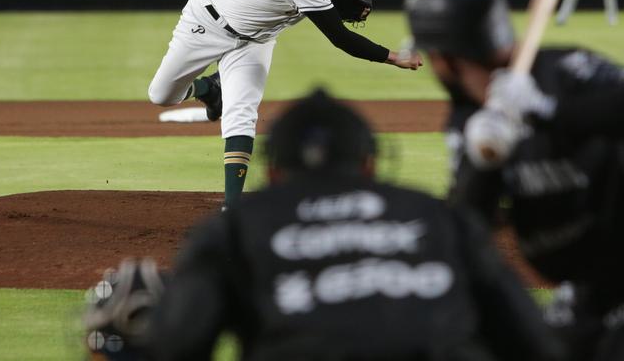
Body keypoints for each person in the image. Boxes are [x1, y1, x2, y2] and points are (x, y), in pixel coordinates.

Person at [404, 0, 624, 361]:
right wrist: (484, 160)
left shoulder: (564, 71)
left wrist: (547, 111)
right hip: (587, 294)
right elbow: (470, 221)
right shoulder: (472, 122)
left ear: (444, 59)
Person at [148, 89, 564, 361]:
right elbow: (535, 345)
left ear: (273, 172)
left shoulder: (237, 226)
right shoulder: (441, 218)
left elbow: (176, 347)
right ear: (368, 164)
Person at [148, 0, 422, 210]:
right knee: (161, 95)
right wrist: (394, 57)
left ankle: (233, 210)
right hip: (208, 20)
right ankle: (209, 89)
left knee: (241, 115)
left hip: (257, 39)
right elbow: (340, 37)